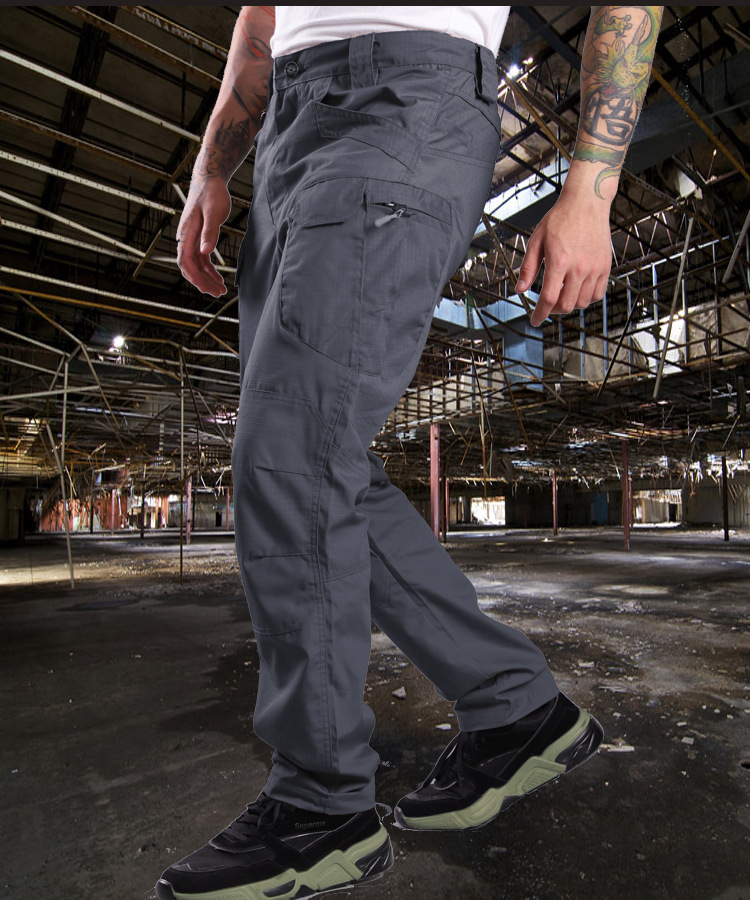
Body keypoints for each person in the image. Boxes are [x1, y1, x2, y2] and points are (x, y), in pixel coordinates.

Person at [158, 6, 663, 898]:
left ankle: (320, 808)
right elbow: (259, 17)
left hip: (404, 98)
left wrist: (591, 191)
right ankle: (517, 710)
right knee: (316, 458)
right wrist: (212, 167)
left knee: (289, 452)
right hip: (289, 130)